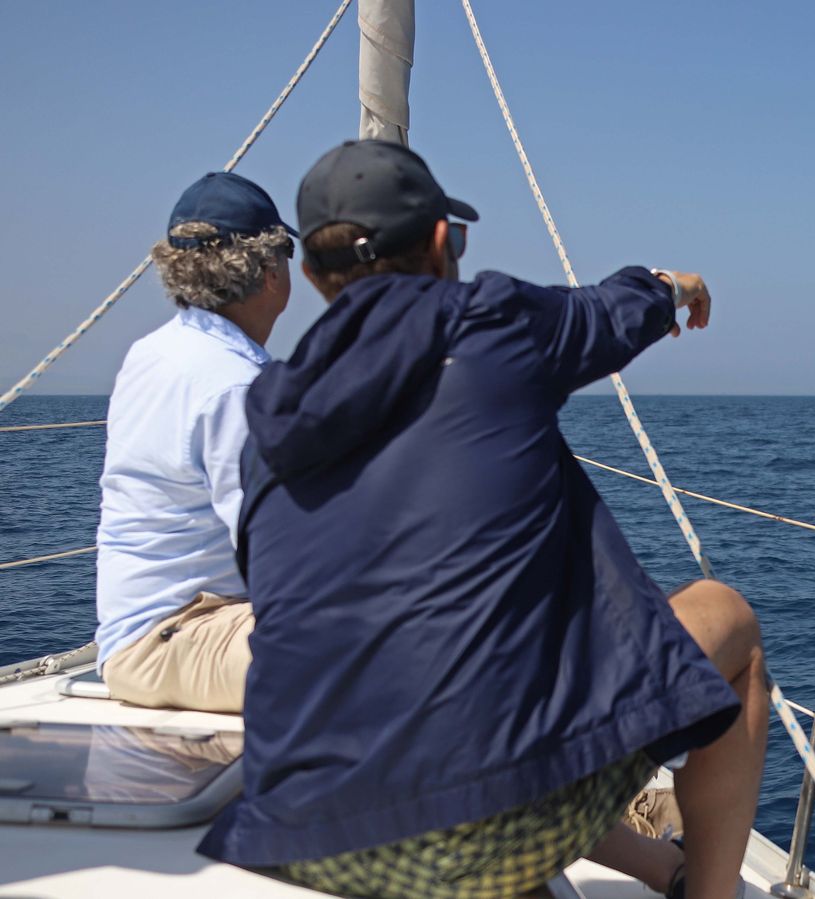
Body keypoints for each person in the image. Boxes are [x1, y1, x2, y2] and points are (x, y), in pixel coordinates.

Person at [198, 140, 767, 899]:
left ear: (309, 275)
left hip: (301, 834)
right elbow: (610, 313)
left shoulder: (267, 420)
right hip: (481, 815)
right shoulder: (492, 323)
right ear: (442, 243)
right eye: (456, 239)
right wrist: (672, 286)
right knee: (729, 622)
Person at [94, 172, 296, 713]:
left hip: (140, 639)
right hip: (184, 639)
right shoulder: (238, 385)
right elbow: (284, 553)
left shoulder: (152, 353)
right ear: (271, 271)